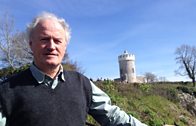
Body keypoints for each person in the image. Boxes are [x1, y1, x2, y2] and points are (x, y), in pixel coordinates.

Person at [0, 12, 147, 126]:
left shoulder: (82, 84)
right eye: (44, 39)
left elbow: (113, 116)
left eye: (58, 41)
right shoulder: (6, 91)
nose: (52, 46)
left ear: (65, 47)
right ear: (31, 44)